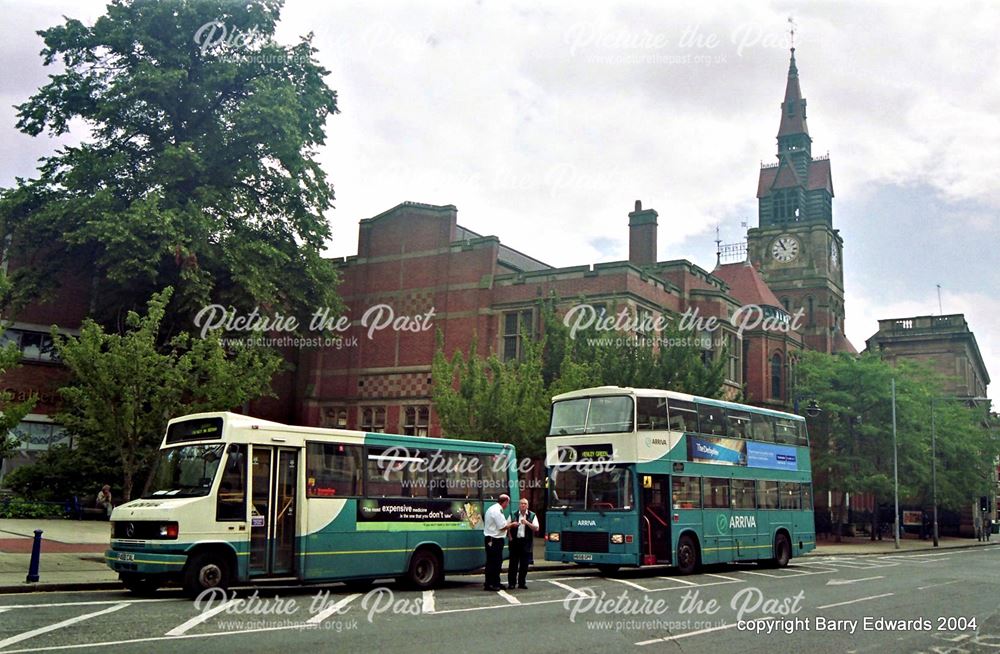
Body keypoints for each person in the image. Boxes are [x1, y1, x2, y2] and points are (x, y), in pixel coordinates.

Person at [483, 493, 515, 591]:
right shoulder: (497, 511)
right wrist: (512, 524)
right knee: (495, 562)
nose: (507, 505)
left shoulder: (493, 508)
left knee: (492, 562)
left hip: (491, 538)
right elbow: (502, 526)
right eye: (507, 503)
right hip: (495, 539)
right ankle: (492, 584)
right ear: (504, 502)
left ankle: (493, 582)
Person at [507, 497, 539, 590]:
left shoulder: (532, 515)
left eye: (525, 504)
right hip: (515, 542)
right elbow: (507, 526)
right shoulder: (513, 514)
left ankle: (522, 582)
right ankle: (512, 583)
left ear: (527, 506)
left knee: (524, 564)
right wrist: (510, 537)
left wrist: (527, 523)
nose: (523, 505)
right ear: (519, 505)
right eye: (521, 503)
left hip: (526, 542)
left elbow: (536, 528)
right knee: (513, 563)